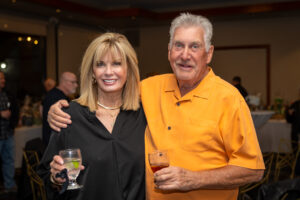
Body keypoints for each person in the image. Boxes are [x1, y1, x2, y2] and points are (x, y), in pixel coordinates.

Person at [47, 13, 265, 200]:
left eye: (195, 46)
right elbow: (110, 87)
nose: (185, 54)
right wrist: (57, 107)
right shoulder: (150, 88)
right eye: (178, 45)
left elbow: (253, 170)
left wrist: (194, 179)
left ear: (209, 53)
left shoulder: (229, 98)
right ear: (169, 51)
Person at [37, 33, 146, 200]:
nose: (108, 72)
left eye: (117, 64)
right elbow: (47, 174)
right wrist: (56, 177)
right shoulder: (69, 116)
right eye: (100, 64)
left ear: (129, 69)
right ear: (93, 72)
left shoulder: (144, 115)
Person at [42, 72, 78, 146]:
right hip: (54, 143)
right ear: (64, 82)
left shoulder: (61, 96)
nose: (76, 85)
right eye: (73, 82)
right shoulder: (55, 97)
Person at [0, 71, 19, 194]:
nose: (3, 80)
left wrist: (13, 122)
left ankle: (9, 185)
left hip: (8, 134)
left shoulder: (7, 94)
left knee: (9, 160)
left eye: (3, 78)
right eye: (1, 78)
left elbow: (15, 109)